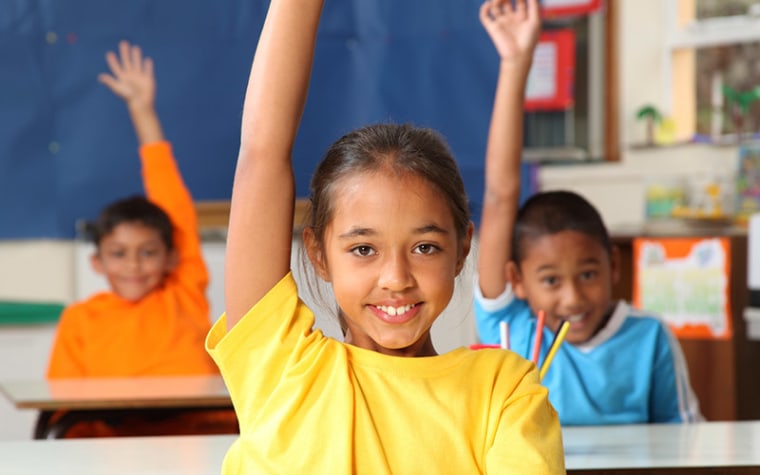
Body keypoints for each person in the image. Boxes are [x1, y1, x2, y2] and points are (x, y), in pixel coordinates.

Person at [206, 0, 564, 472]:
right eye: (363, 249)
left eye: (424, 247)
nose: (396, 278)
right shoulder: (283, 368)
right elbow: (261, 152)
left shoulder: (504, 389)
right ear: (317, 252)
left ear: (461, 250)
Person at [474, 68, 703, 426]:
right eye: (551, 281)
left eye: (588, 274)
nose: (573, 298)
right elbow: (500, 196)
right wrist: (515, 62)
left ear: (613, 265)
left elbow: (684, 439)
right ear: (515, 279)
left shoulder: (648, 336)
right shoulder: (510, 331)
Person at [46, 40, 236, 436]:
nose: (133, 265)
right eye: (118, 253)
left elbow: (172, 202)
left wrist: (142, 110)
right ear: (97, 262)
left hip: (201, 434)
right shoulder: (81, 320)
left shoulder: (181, 292)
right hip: (113, 444)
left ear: (172, 257)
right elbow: (59, 408)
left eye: (148, 252)